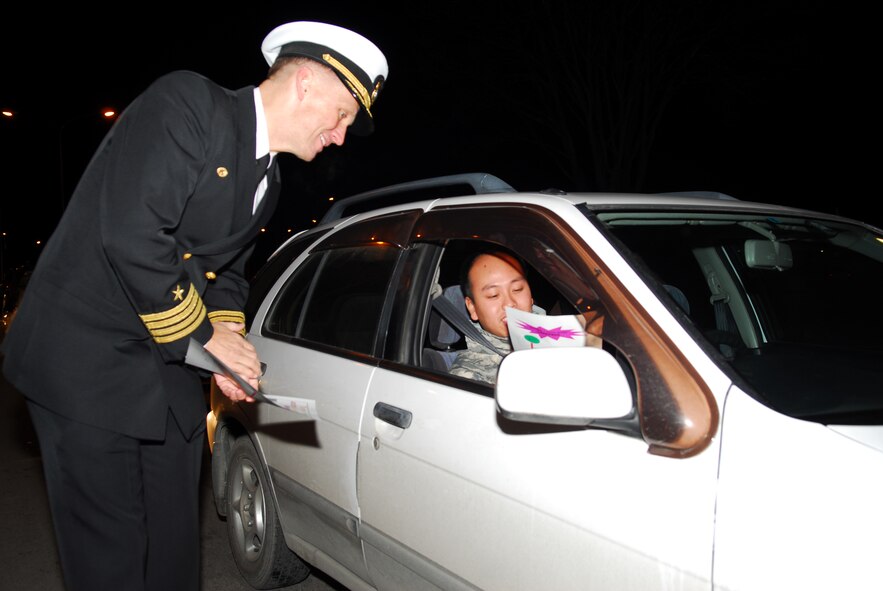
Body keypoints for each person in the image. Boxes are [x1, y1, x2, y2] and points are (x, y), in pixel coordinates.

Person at [0, 21, 388, 591]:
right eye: (343, 116)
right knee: (112, 557)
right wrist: (208, 337)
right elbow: (133, 235)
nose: (339, 137)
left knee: (176, 552)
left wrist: (228, 347)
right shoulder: (188, 104)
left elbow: (226, 272)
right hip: (86, 362)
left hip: (167, 370)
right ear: (305, 83)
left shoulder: (269, 181)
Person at [449, 249, 603, 384]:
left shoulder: (566, 340)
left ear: (530, 297)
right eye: (493, 295)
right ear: (472, 307)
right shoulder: (468, 377)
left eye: (517, 289)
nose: (509, 303)